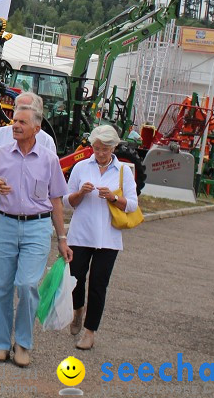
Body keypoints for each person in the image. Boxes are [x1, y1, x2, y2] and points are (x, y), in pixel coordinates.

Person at [0, 102, 71, 367]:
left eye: (22, 122)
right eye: (14, 121)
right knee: (3, 286)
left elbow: (56, 201)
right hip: (4, 224)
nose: (16, 126)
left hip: (37, 228)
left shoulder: (49, 159)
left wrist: (62, 238)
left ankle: (23, 344)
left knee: (28, 285)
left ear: (36, 128)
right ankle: (0, 345)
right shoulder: (0, 154)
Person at [0, 92, 57, 321]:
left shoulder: (46, 141)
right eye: (17, 110)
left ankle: (9, 313)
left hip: (31, 207)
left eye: (26, 111)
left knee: (23, 271)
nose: (18, 117)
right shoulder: (0, 134)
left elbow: (51, 180)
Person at [65, 124, 138, 350]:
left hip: (108, 238)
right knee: (75, 279)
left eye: (105, 149)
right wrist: (81, 193)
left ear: (114, 147)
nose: (100, 153)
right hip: (81, 234)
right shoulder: (80, 167)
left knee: (98, 284)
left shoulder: (124, 171)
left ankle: (89, 331)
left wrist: (114, 199)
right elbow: (68, 201)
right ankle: (78, 310)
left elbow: (133, 204)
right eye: (96, 148)